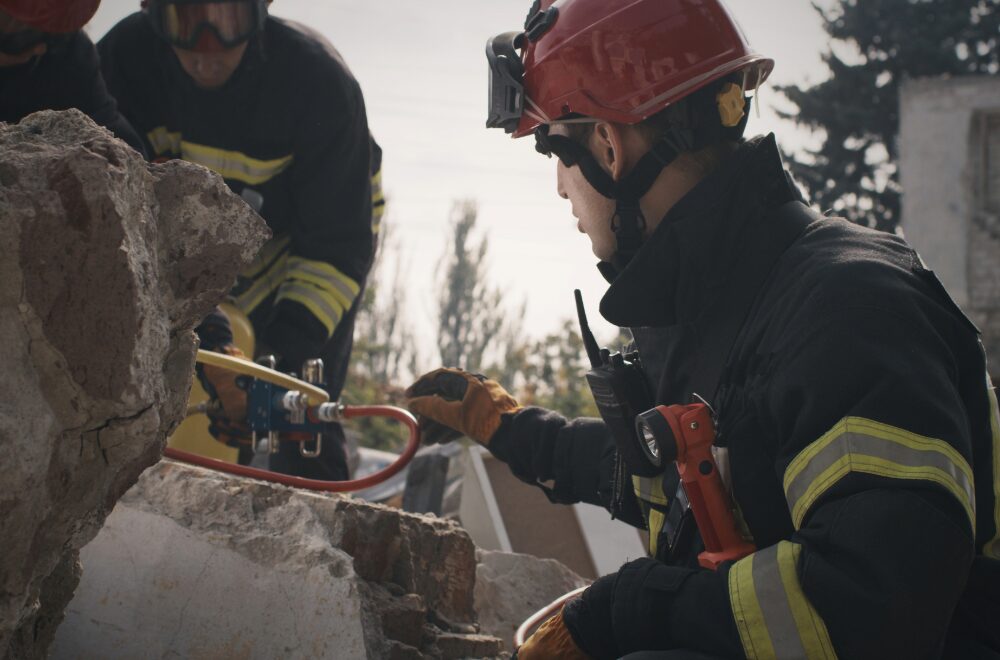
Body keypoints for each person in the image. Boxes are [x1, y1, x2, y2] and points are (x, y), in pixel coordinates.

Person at [405, 0, 1000, 658]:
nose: (558, 188)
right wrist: (508, 428)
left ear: (607, 144)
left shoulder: (850, 309)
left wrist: (623, 609)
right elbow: (687, 485)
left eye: (555, 150)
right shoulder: (739, 306)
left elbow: (872, 606)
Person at [99, 0, 383, 481]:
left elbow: (334, 248)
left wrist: (281, 364)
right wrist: (214, 341)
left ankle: (318, 521)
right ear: (151, 12)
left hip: (304, 257)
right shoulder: (122, 62)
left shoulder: (320, 84)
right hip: (179, 254)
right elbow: (131, 224)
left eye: (229, 23)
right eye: (183, 23)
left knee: (297, 414)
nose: (206, 51)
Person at [0, 0, 144, 153]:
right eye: (17, 27)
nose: (39, 49)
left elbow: (125, 148)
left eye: (48, 33)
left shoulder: (69, 55)